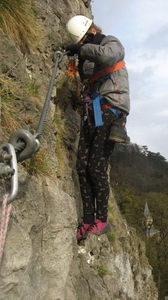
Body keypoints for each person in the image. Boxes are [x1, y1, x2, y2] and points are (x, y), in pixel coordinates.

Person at [65, 15, 130, 241]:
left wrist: (82, 50)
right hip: (93, 112)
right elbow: (90, 80)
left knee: (96, 168)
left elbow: (109, 56)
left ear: (91, 33)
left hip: (110, 110)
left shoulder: (110, 42)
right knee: (82, 167)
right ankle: (88, 219)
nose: (83, 45)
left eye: (84, 40)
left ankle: (102, 220)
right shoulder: (91, 53)